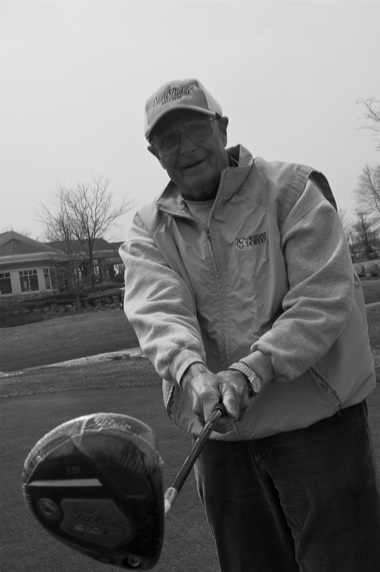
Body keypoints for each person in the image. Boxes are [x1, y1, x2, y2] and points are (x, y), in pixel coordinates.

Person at [119, 78, 380, 571]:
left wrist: (248, 372)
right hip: (220, 441)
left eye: (196, 129)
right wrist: (194, 373)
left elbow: (321, 300)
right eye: (169, 139)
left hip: (318, 426)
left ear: (222, 129)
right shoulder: (148, 228)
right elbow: (158, 311)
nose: (186, 147)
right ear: (155, 153)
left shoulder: (293, 189)